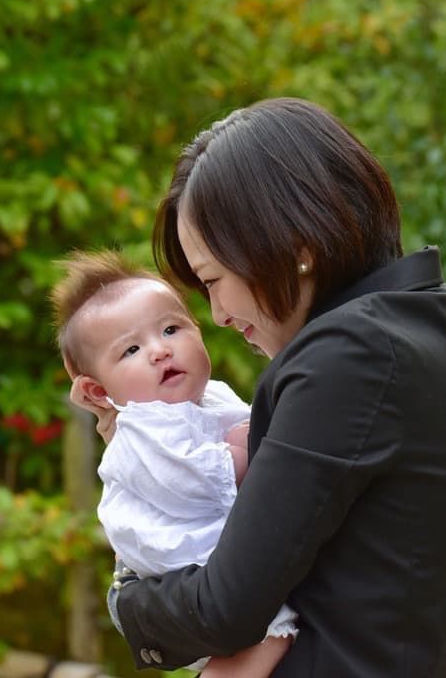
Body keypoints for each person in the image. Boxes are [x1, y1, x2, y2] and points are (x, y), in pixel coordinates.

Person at [73, 98, 446, 677]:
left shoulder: (348, 356)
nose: (219, 314)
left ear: (294, 248)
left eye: (213, 280)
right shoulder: (433, 319)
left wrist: (129, 602)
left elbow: (224, 609)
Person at [51, 250, 296, 678]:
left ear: (198, 332)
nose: (159, 351)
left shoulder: (211, 395)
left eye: (170, 329)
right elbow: (200, 481)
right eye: (130, 349)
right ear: (96, 389)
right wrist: (253, 443)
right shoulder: (142, 429)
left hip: (215, 555)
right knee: (276, 631)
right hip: (182, 563)